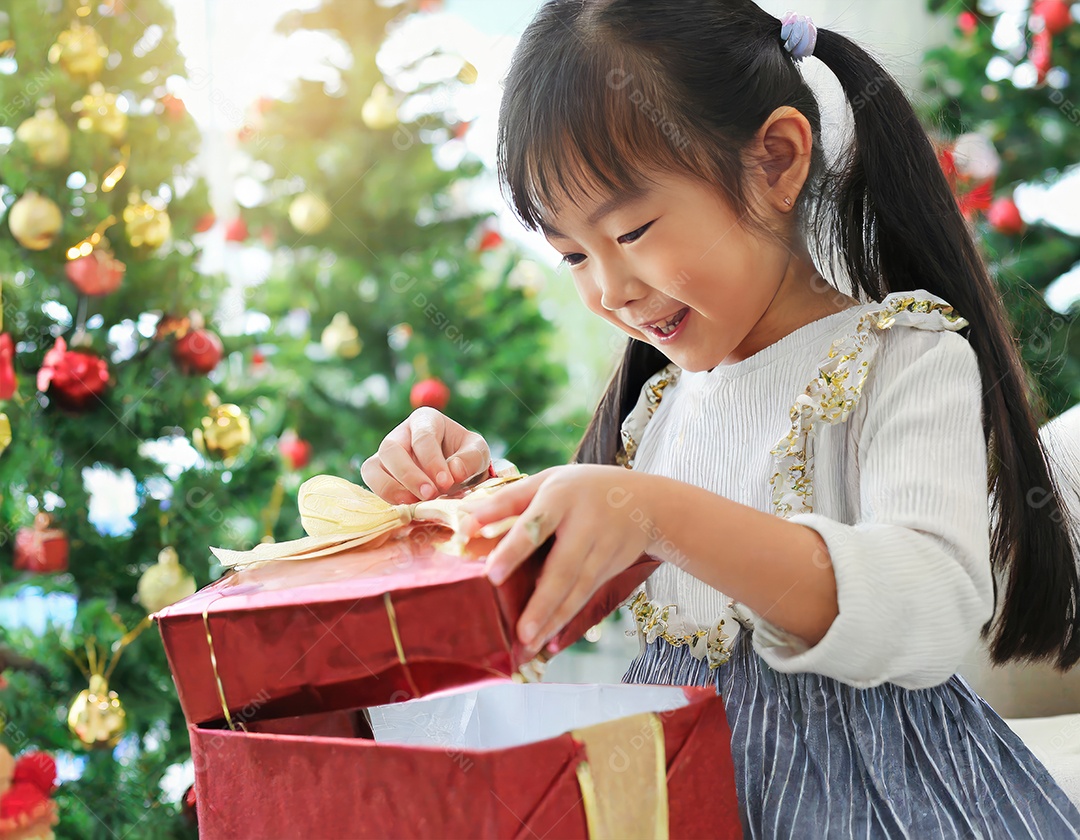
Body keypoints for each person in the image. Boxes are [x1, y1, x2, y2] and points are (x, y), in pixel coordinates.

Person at [361, 1, 1080, 835]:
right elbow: (586, 597)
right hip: (679, 794)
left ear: (775, 161)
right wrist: (475, 502)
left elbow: (929, 608)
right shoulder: (662, 405)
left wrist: (656, 514)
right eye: (571, 256)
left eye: (631, 229)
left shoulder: (903, 356)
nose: (609, 290)